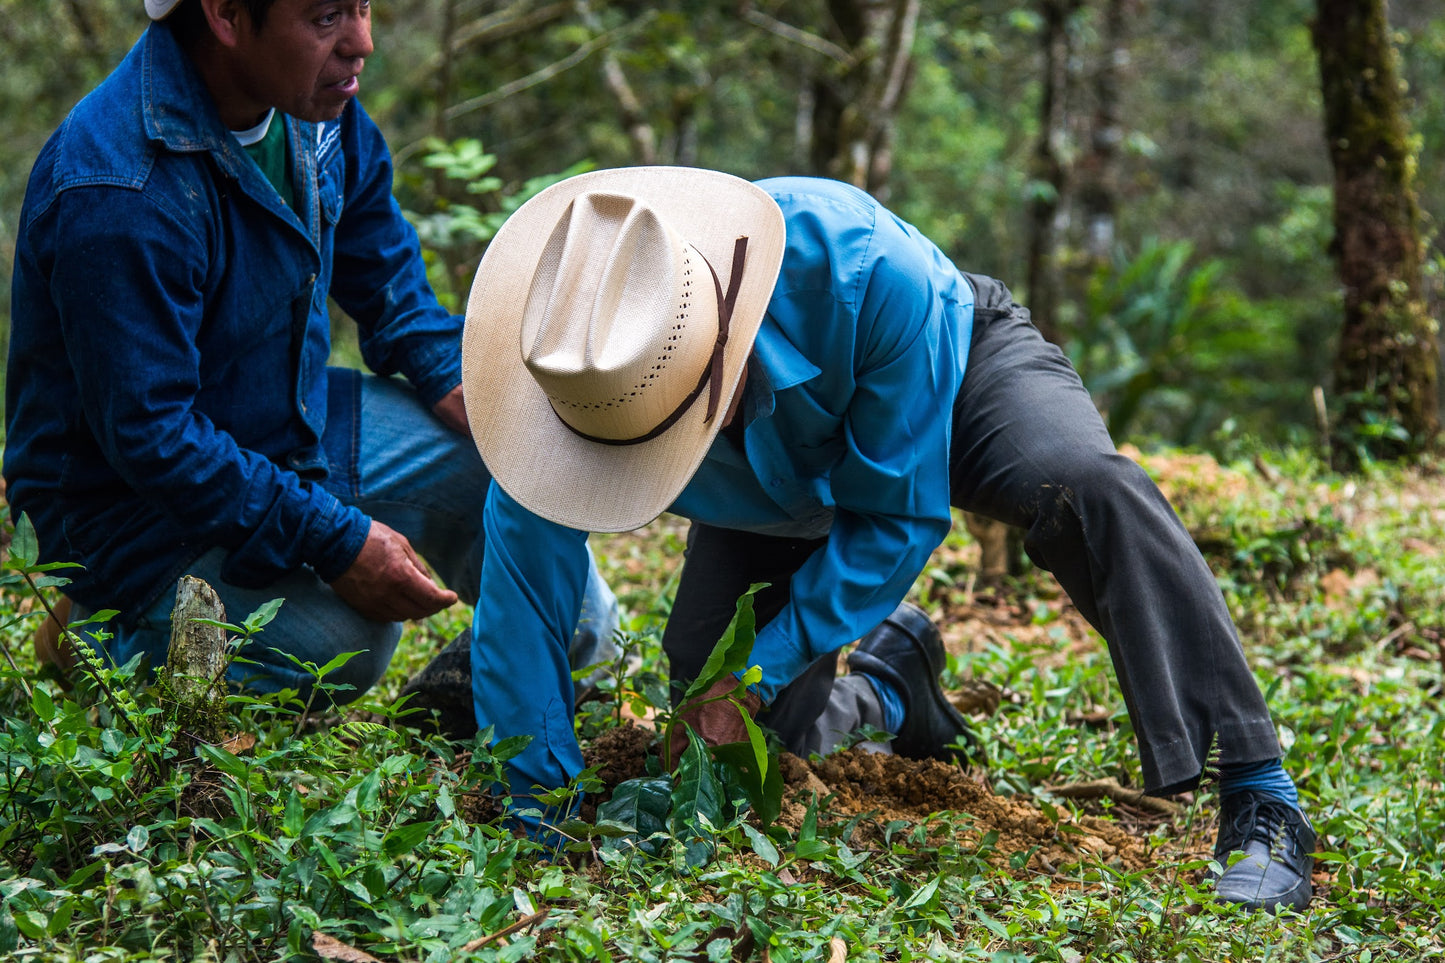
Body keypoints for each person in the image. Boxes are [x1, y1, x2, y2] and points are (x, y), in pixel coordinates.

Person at [457, 167, 1316, 913]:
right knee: (739, 760)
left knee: (1087, 488)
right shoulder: (573, 372)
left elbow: (894, 517)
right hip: (765, 488)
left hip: (950, 374)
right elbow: (523, 597)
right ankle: (889, 686)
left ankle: (1258, 788)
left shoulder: (862, 266)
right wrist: (538, 809)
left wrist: (751, 673)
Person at [2, 0, 616, 710]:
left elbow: (378, 261)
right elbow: (152, 437)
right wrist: (335, 539)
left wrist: (449, 373)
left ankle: (513, 699)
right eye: (327, 17)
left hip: (286, 421)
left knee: (515, 467)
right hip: (135, 512)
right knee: (344, 642)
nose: (363, 43)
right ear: (228, 15)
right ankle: (98, 633)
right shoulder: (119, 188)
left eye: (362, 7)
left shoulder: (311, 105)